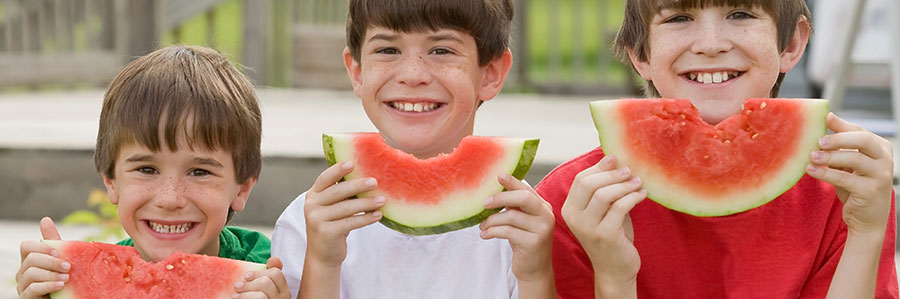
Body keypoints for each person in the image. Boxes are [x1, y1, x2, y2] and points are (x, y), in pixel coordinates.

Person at [536, 0, 899, 298]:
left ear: (790, 44)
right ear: (640, 56)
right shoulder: (573, 204)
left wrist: (865, 235)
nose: (711, 44)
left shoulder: (847, 189)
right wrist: (615, 278)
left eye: (740, 14)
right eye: (679, 17)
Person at [270, 0, 557, 298]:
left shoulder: (522, 223)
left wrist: (535, 276)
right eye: (388, 50)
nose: (412, 74)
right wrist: (322, 263)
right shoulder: (310, 222)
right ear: (357, 72)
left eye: (442, 50)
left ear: (491, 73)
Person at [16, 45, 290, 299]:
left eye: (199, 172)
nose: (169, 199)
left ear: (241, 188)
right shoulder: (88, 272)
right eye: (147, 169)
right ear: (111, 182)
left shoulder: (266, 269)